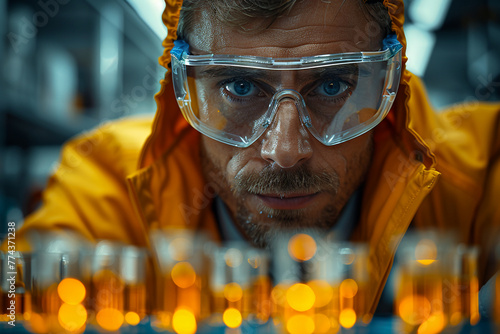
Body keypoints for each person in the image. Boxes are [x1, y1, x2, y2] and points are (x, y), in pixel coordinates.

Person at [8, 0, 500, 317]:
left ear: (391, 86)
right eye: (240, 87)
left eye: (332, 85)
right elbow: (20, 306)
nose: (285, 152)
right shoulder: (107, 182)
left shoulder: (480, 173)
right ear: (183, 85)